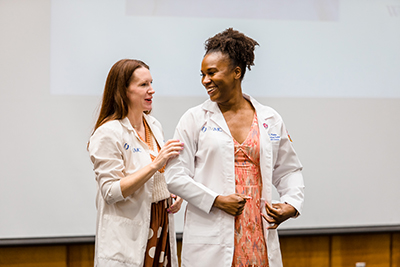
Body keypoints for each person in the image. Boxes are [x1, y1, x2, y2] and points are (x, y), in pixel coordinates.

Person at [165, 28, 305, 267]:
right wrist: (216, 200)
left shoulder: (269, 118)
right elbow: (175, 176)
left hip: (258, 235)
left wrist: (291, 204)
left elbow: (289, 170)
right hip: (212, 235)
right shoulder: (194, 119)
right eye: (202, 75)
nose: (205, 81)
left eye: (211, 73)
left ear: (236, 72)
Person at [88, 59, 184, 267]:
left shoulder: (153, 125)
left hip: (160, 224)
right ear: (123, 91)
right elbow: (110, 192)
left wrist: (172, 192)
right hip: (130, 235)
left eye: (151, 83)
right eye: (143, 85)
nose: (152, 90)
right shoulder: (108, 133)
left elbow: (158, 178)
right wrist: (154, 164)